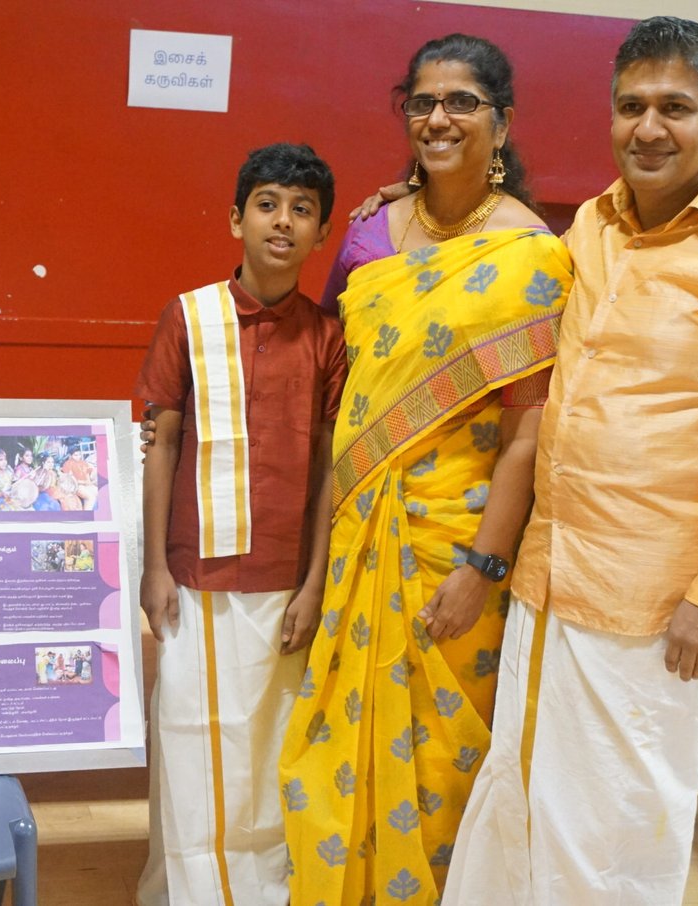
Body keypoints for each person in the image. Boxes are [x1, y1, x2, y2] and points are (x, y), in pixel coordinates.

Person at [441, 18, 698, 905]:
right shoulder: (595, 225)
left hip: (660, 607)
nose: (648, 128)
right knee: (520, 798)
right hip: (551, 580)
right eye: (631, 107)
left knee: (614, 833)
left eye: (675, 108)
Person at [268, 35, 569, 906]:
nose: (439, 118)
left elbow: (527, 432)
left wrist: (483, 567)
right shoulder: (369, 234)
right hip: (360, 524)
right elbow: (343, 385)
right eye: (423, 102)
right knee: (334, 743)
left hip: (457, 542)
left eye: (462, 101)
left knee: (444, 759)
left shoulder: (533, 255)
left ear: (501, 123)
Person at [135, 142, 345, 906]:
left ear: (321, 233)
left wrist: (315, 584)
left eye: (301, 210)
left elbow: (327, 468)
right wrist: (154, 567)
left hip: (283, 584)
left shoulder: (326, 338)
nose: (282, 222)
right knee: (191, 745)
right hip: (194, 579)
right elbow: (161, 444)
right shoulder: (188, 317)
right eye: (267, 205)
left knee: (267, 752)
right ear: (236, 218)